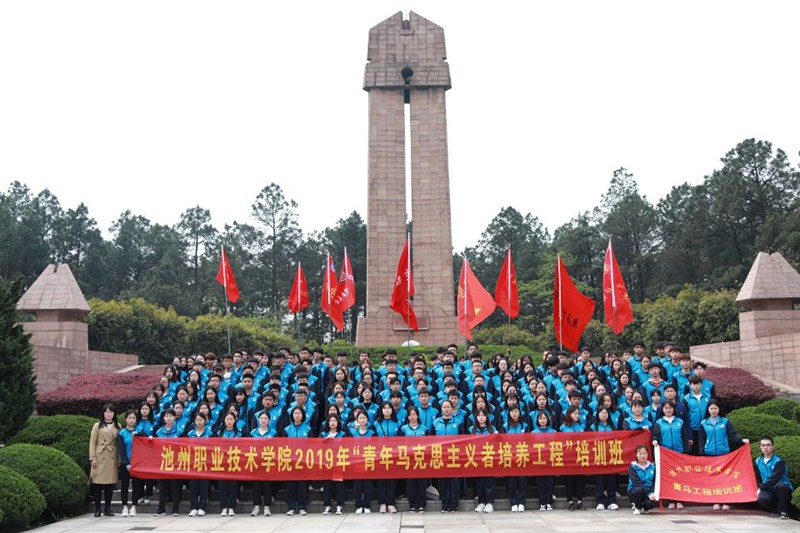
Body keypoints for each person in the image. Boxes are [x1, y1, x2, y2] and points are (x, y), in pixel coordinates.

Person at [698, 399, 748, 511]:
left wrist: (742, 440)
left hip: (724, 454)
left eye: (716, 408)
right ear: (708, 410)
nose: (713, 410)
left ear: (719, 409)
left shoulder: (725, 422)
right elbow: (701, 440)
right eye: (711, 408)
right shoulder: (703, 423)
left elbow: (732, 436)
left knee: (725, 479)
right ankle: (715, 501)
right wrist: (702, 452)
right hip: (710, 454)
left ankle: (726, 501)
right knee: (713, 479)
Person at [282, 406, 314, 515]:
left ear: (303, 415)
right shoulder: (287, 430)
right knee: (291, 485)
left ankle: (302, 507)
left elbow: (311, 446)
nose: (297, 415)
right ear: (292, 415)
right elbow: (283, 446)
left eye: (299, 413)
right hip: (290, 461)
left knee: (302, 485)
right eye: (295, 413)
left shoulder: (308, 429)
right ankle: (291, 507)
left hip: (303, 461)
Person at [90, 403, 120, 517]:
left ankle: (108, 508)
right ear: (103, 413)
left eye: (111, 412)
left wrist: (119, 459)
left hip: (112, 456)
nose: (109, 414)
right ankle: (97, 508)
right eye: (106, 412)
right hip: (99, 455)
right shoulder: (97, 425)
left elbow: (119, 443)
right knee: (97, 484)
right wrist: (92, 458)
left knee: (109, 485)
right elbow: (92, 442)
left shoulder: (118, 426)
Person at [754, 436, 793, 520]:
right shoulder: (757, 461)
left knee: (781, 486)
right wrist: (760, 486)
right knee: (762, 498)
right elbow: (758, 478)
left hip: (782, 487)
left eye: (768, 445)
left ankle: (784, 511)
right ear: (760, 447)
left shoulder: (779, 461)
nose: (765, 447)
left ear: (773, 447)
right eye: (763, 445)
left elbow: (775, 478)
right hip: (768, 488)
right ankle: (774, 509)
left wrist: (761, 488)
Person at [152, 408, 182, 516]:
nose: (168, 418)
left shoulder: (179, 431)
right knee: (162, 487)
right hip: (162, 463)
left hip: (174, 463)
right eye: (166, 416)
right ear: (164, 418)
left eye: (171, 416)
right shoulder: (159, 432)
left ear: (174, 417)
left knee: (174, 487)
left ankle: (175, 509)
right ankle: (161, 509)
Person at [400, 406, 429, 513]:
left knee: (422, 483)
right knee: (411, 483)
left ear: (417, 415)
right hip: (409, 460)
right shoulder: (403, 429)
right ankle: (412, 505)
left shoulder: (424, 429)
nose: (412, 417)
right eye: (410, 415)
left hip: (422, 460)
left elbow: (429, 444)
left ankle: (421, 504)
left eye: (414, 414)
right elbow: (399, 444)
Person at [249, 411, 276, 517]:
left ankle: (267, 507)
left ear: (269, 420)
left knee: (267, 486)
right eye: (261, 418)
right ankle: (256, 507)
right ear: (258, 420)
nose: (263, 420)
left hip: (268, 462)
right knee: (256, 486)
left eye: (265, 418)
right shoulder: (252, 432)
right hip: (255, 462)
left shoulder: (273, 432)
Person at [471, 408, 497, 513]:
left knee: (489, 481)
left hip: (489, 458)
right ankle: (481, 502)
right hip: (477, 459)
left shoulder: (492, 429)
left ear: (487, 417)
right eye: (479, 415)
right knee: (479, 481)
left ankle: (489, 502)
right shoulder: (471, 430)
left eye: (483, 415)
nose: (481, 417)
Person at [320, 414, 346, 516]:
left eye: (335, 421)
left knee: (339, 485)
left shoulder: (342, 434)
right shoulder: (323, 434)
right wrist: (325, 440)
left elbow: (347, 446)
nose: (332, 423)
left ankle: (339, 506)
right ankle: (327, 506)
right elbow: (317, 446)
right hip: (326, 463)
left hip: (339, 463)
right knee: (327, 485)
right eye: (330, 421)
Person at [187, 412, 212, 517]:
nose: (199, 422)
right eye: (197, 420)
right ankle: (193, 507)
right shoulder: (190, 434)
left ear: (205, 421)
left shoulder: (209, 433)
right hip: (193, 463)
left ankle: (202, 507)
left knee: (203, 486)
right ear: (194, 422)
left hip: (205, 463)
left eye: (201, 420)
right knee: (193, 487)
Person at [217, 412, 242, 516]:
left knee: (233, 486)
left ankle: (231, 507)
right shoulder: (219, 433)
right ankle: (223, 507)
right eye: (227, 419)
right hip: (222, 462)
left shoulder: (238, 433)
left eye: (231, 419)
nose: (229, 421)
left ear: (235, 420)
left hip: (234, 462)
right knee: (222, 486)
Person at [117, 409, 140, 517]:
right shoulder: (121, 433)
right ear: (126, 419)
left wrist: (140, 435)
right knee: (124, 486)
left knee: (136, 486)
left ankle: (134, 506)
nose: (131, 420)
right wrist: (126, 464)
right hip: (125, 464)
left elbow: (147, 440)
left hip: (136, 464)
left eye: (134, 418)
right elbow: (121, 450)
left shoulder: (138, 431)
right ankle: (125, 506)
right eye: (130, 418)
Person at [532, 411, 556, 511]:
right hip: (539, 461)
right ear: (537, 420)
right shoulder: (533, 433)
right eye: (540, 418)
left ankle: (549, 502)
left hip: (550, 460)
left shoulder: (553, 432)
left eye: (544, 418)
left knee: (550, 482)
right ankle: (542, 503)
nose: (542, 420)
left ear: (548, 420)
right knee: (540, 483)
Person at [627, 445, 657, 515]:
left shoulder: (652, 467)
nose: (643, 456)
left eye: (644, 453)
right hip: (635, 490)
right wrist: (649, 493)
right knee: (638, 490)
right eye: (640, 454)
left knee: (651, 503)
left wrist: (652, 492)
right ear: (636, 455)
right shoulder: (633, 467)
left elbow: (654, 481)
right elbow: (637, 483)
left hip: (648, 490)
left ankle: (644, 507)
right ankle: (637, 507)